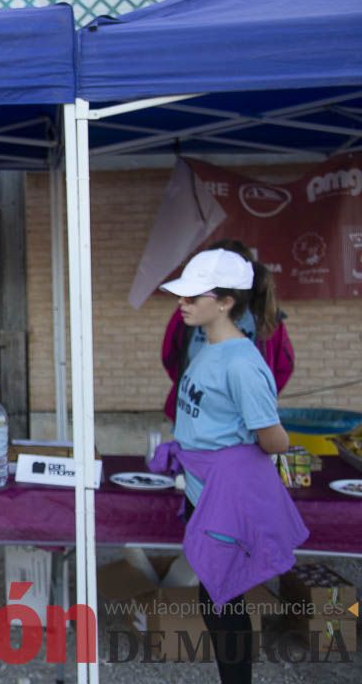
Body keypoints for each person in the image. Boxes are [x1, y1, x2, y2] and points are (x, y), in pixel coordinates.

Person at [155, 248, 306, 684]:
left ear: (225, 302)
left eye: (192, 297)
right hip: (204, 485)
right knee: (216, 595)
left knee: (223, 598)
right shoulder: (207, 349)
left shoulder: (242, 362)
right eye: (182, 296)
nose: (181, 304)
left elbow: (271, 437)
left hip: (228, 489)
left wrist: (278, 438)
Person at [161, 239, 294, 422]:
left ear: (226, 301)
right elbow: (170, 355)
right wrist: (190, 391)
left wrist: (252, 401)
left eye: (195, 294)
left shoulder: (245, 358)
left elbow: (282, 367)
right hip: (192, 416)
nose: (183, 302)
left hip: (238, 424)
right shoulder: (189, 314)